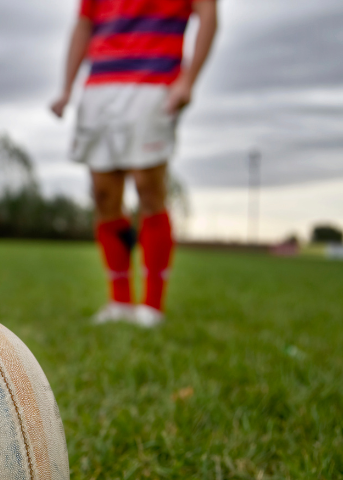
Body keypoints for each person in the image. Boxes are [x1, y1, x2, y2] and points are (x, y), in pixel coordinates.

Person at [51, 0, 217, 327]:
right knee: (103, 195)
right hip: (100, 84)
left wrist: (189, 80)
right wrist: (67, 88)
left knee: (148, 186)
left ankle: (152, 304)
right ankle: (120, 301)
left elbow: (208, 14)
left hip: (155, 81)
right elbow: (83, 24)